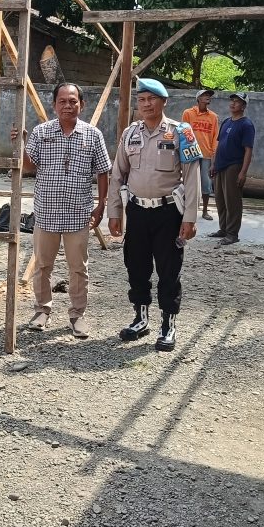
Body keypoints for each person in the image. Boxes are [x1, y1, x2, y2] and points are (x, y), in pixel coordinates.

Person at [13, 83, 111, 339]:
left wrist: (101, 205)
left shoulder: (92, 135)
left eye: (73, 101)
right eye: (63, 101)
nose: (68, 105)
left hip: (78, 214)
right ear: (54, 104)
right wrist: (20, 143)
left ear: (81, 104)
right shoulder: (41, 132)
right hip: (46, 212)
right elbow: (28, 166)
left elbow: (103, 171)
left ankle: (77, 315)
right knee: (42, 266)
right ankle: (42, 310)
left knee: (78, 269)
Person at [107, 78, 199, 352]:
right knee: (136, 266)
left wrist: (190, 218)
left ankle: (168, 325)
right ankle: (141, 319)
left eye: (152, 99)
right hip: (137, 211)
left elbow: (192, 178)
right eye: (142, 99)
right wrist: (114, 211)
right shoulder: (130, 133)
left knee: (169, 270)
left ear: (164, 101)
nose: (146, 104)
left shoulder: (181, 132)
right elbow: (117, 174)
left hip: (168, 212)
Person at [209, 92, 255, 246]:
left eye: (237, 101)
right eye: (232, 101)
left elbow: (248, 150)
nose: (233, 103)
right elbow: (218, 144)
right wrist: (213, 163)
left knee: (232, 201)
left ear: (243, 106)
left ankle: (232, 234)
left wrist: (243, 172)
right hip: (220, 165)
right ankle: (223, 229)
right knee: (220, 200)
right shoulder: (226, 122)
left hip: (234, 166)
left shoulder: (246, 125)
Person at [182, 88, 218, 221]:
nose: (208, 97)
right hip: (191, 153)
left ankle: (204, 211)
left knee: (206, 183)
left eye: (209, 95)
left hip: (206, 154)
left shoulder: (213, 117)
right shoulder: (188, 113)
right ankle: (186, 209)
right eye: (205, 95)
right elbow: (183, 132)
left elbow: (215, 137)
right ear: (198, 99)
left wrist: (213, 157)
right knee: (188, 182)